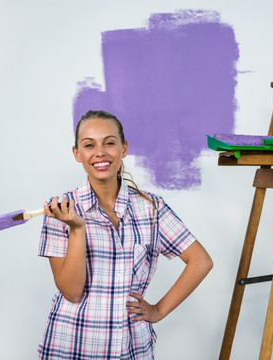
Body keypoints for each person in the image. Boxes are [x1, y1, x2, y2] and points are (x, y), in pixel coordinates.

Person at [37, 110, 213, 359]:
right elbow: (72, 292)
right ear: (77, 153)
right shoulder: (60, 211)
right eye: (89, 145)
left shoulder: (152, 208)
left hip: (131, 348)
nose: (100, 152)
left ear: (124, 148)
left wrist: (158, 311)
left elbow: (201, 261)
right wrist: (77, 229)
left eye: (109, 142)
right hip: (73, 345)